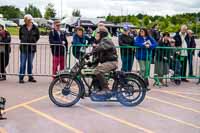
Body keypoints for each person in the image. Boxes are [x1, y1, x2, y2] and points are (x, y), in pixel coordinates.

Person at [92, 27, 118, 96]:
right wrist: (91, 63)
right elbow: (99, 57)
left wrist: (91, 52)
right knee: (93, 70)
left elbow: (101, 47)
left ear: (102, 34)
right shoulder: (101, 41)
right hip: (108, 62)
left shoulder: (106, 40)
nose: (96, 35)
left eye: (98, 33)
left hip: (112, 62)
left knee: (98, 70)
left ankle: (106, 89)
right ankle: (97, 89)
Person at [19, 14, 40, 83]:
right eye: (26, 20)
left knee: (30, 63)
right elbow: (20, 37)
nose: (27, 21)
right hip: (23, 48)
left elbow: (37, 37)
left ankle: (30, 77)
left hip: (32, 48)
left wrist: (33, 41)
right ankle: (21, 77)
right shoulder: (22, 27)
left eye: (29, 20)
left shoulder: (35, 28)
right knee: (23, 63)